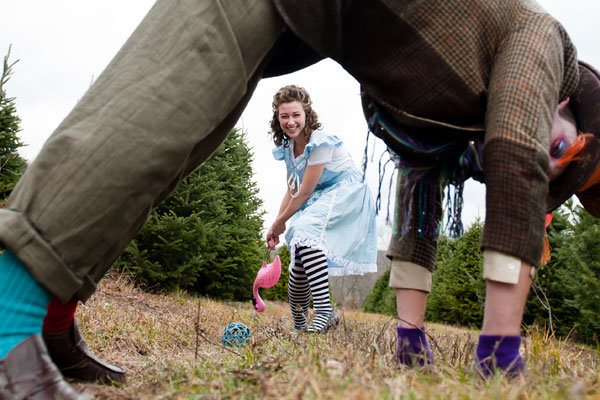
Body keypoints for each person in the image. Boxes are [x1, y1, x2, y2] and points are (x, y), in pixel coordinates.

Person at [0, 0, 599, 398]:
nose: (542, 159)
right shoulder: (545, 41)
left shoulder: (445, 115)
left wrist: (410, 334)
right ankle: (10, 319)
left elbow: (416, 208)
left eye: (557, 172)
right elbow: (517, 155)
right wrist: (499, 346)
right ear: (574, 106)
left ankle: (52, 316)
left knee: (184, 134)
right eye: (560, 146)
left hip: (305, 23)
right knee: (164, 103)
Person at [265, 85, 377, 333]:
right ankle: (300, 324)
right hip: (319, 197)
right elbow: (292, 190)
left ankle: (324, 311)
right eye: (285, 116)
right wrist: (276, 224)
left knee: (304, 230)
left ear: (307, 115)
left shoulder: (320, 143)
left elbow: (305, 193)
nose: (291, 121)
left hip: (346, 192)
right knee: (299, 259)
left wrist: (280, 223)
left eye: (296, 115)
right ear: (278, 118)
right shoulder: (287, 148)